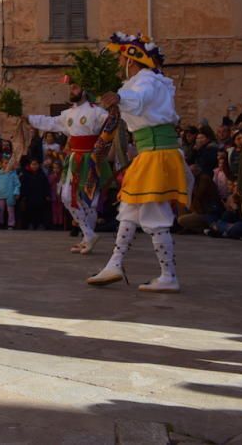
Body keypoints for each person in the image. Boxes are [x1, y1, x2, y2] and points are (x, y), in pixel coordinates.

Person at [87, 33, 190, 293]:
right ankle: (115, 264)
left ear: (131, 59)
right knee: (129, 212)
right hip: (149, 153)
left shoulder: (147, 81)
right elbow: (119, 107)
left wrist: (119, 100)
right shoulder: (139, 82)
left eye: (122, 57)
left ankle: (168, 275)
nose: (119, 60)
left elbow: (137, 100)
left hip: (157, 153)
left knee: (156, 216)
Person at [26, 76, 110, 253]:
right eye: (71, 88)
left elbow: (112, 123)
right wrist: (30, 119)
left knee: (90, 200)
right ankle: (89, 235)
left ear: (84, 91)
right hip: (74, 159)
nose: (71, 91)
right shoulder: (68, 114)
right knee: (66, 195)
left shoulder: (97, 111)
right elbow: (50, 122)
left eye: (75, 88)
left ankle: (87, 238)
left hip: (91, 159)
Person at [0, 157, 20, 229]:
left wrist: (16, 193)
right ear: (1, 164)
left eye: (8, 163)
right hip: (1, 194)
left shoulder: (13, 174)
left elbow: (17, 184)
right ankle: (0, 223)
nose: (7, 164)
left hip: (10, 195)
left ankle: (11, 224)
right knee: (1, 210)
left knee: (10, 210)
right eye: (5, 163)